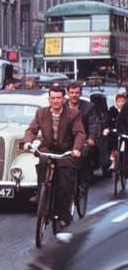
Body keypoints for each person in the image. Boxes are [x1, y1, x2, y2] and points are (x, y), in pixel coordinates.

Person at [23, 86, 86, 230]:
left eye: (59, 98)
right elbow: (32, 129)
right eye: (53, 98)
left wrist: (76, 149)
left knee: (64, 186)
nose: (56, 101)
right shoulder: (41, 113)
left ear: (64, 99)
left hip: (66, 152)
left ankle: (64, 215)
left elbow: (80, 133)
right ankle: (41, 193)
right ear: (49, 99)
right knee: (42, 167)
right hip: (48, 149)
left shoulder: (73, 114)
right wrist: (28, 142)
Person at [66, 82, 101, 183]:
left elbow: (93, 124)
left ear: (80, 94)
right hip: (65, 140)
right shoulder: (62, 106)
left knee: (85, 156)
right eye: (72, 92)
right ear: (68, 93)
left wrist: (91, 138)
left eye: (77, 92)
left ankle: (83, 183)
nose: (74, 95)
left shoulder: (88, 107)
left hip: (83, 140)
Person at [106, 87, 127, 170]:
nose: (121, 103)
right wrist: (107, 129)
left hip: (125, 131)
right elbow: (108, 121)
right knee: (112, 139)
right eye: (119, 101)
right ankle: (113, 161)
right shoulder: (112, 110)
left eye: (123, 101)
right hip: (115, 131)